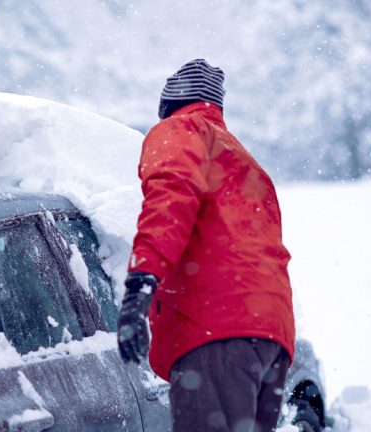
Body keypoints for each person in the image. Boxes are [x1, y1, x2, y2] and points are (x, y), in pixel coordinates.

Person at [117, 59, 295, 432]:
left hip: (215, 331)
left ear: (168, 104)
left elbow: (169, 205)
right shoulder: (242, 159)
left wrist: (140, 285)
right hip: (270, 337)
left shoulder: (179, 130)